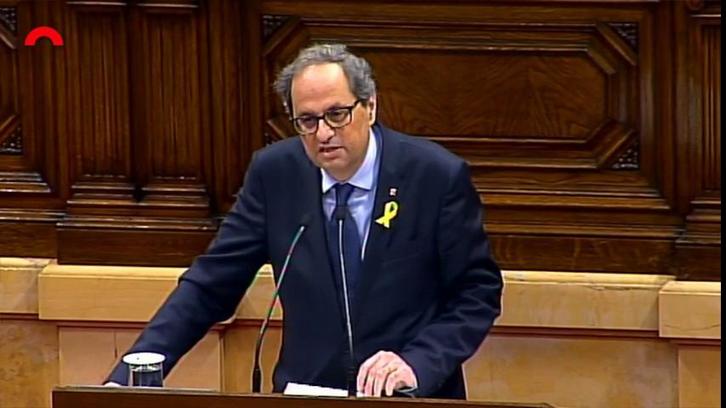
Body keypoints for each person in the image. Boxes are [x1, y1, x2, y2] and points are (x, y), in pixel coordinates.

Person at [106, 43, 503, 399]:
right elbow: (211, 283)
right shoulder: (276, 174)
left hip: (408, 397)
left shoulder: (433, 176)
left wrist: (417, 362)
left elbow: (476, 293)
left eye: (337, 114)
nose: (323, 133)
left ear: (371, 106)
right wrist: (131, 373)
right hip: (307, 393)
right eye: (307, 121)